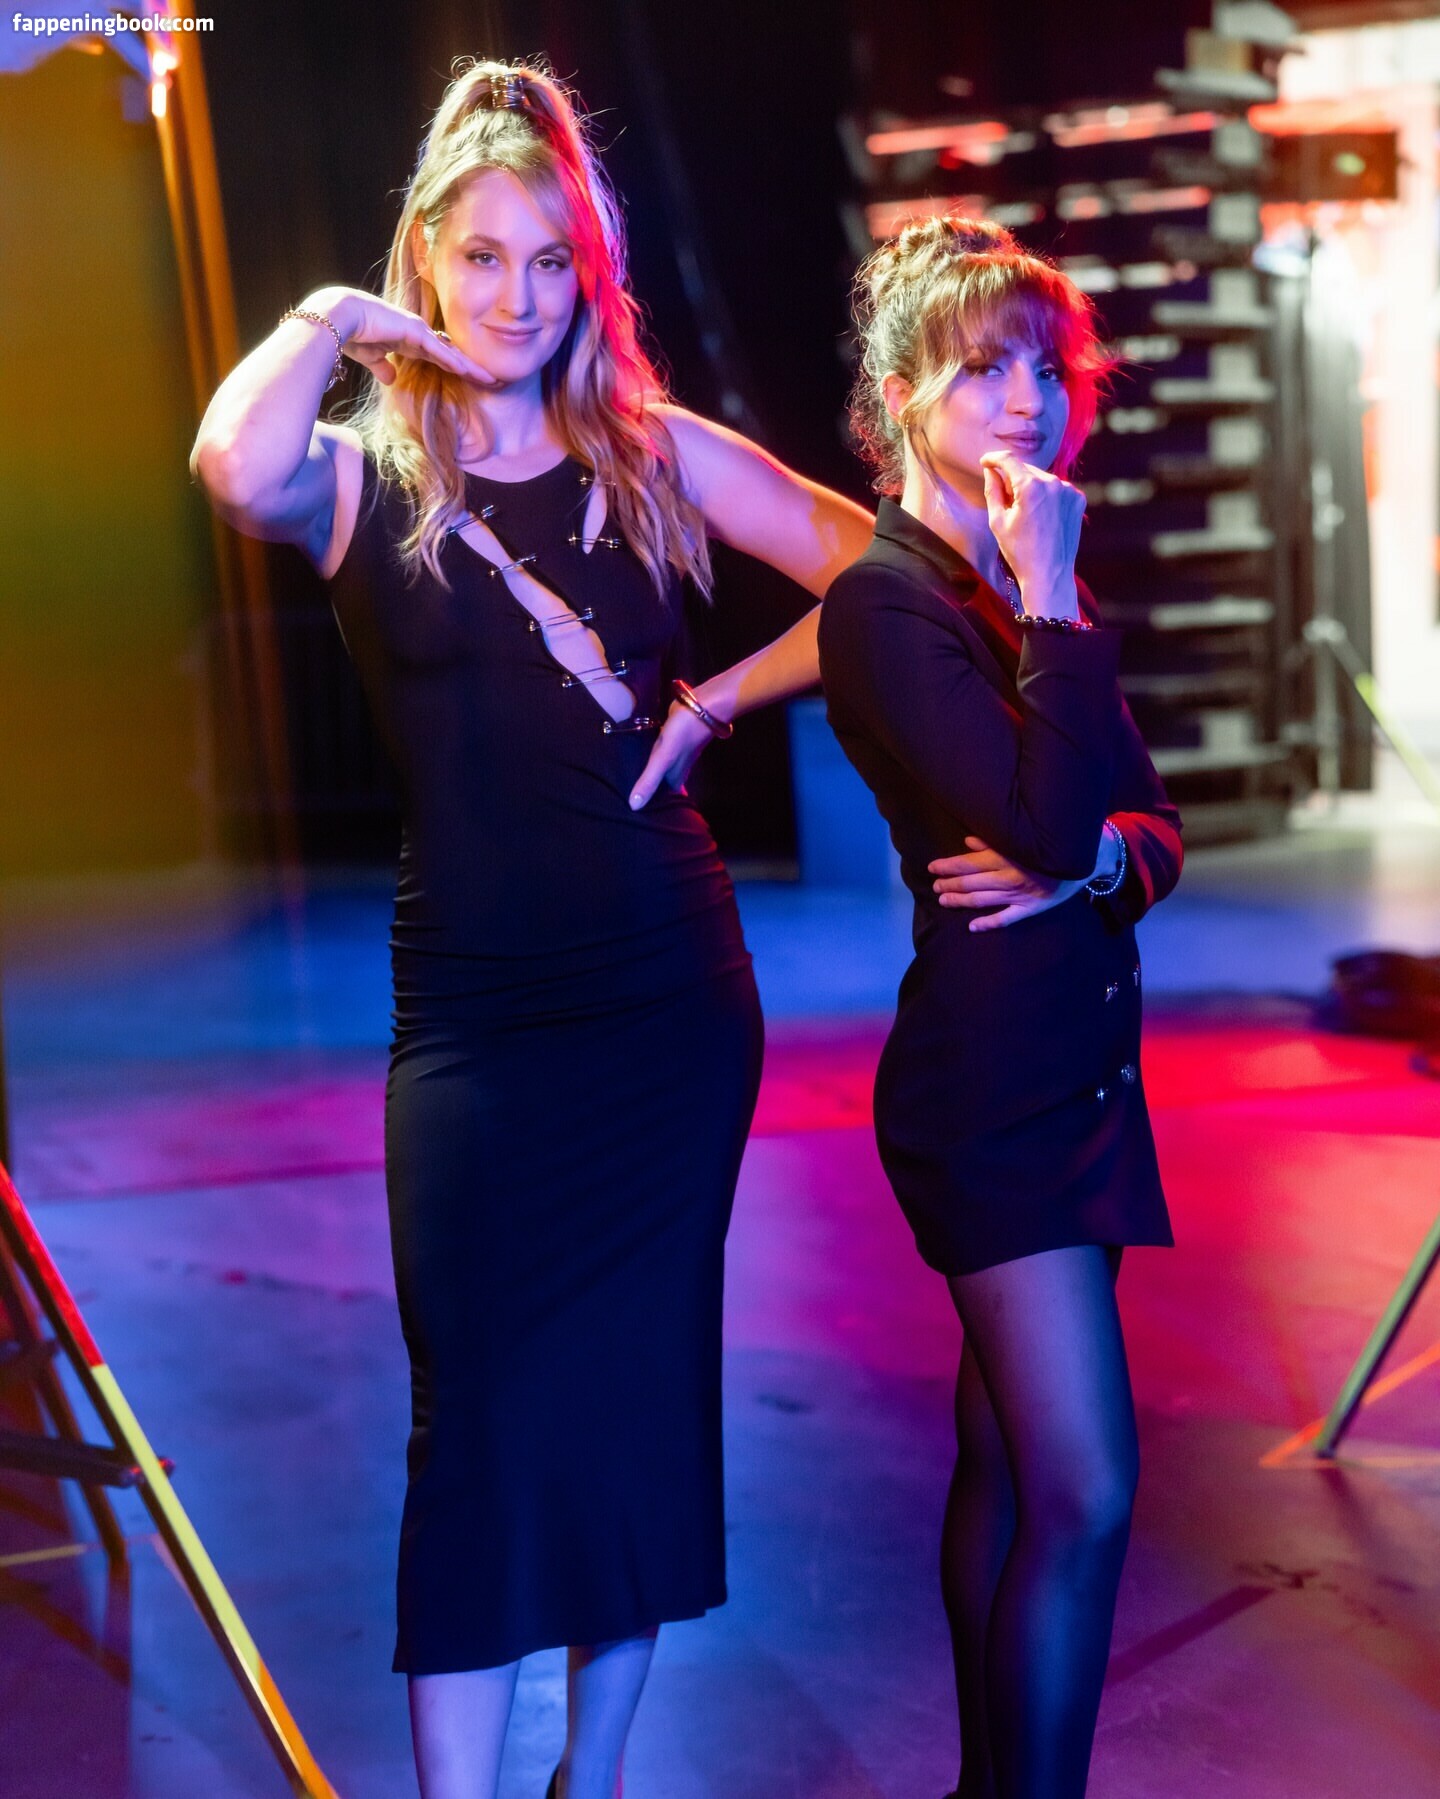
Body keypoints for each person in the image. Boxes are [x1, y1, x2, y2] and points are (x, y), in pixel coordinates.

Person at [190, 58, 872, 1799]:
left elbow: (879, 575)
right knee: (478, 1424)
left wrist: (719, 699)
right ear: (428, 252)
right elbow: (229, 462)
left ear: (590, 274)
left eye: (551, 261)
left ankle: (598, 1776)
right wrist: (336, 318)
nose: (515, 297)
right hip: (476, 1031)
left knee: (633, 1409)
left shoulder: (647, 452)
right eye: (481, 256)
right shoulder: (363, 476)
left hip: (666, 1006)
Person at [817, 217, 1183, 1799]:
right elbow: (1040, 817)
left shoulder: (1028, 591)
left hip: (1080, 1077)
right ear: (903, 397)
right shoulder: (891, 605)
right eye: (982, 368)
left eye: (1044, 365)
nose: (1026, 399)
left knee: (1007, 1462)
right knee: (1086, 1495)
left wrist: (1093, 862)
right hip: (994, 1099)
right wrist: (1049, 612)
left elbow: (1152, 828)